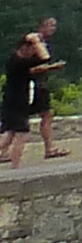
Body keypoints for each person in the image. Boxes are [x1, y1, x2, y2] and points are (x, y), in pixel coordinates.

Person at [0, 20, 62, 165]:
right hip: (17, 101)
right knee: (21, 135)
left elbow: (39, 67)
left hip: (15, 100)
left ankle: (14, 166)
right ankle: (15, 170)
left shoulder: (16, 61)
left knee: (10, 134)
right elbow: (45, 58)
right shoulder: (19, 62)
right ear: (25, 48)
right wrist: (36, 42)